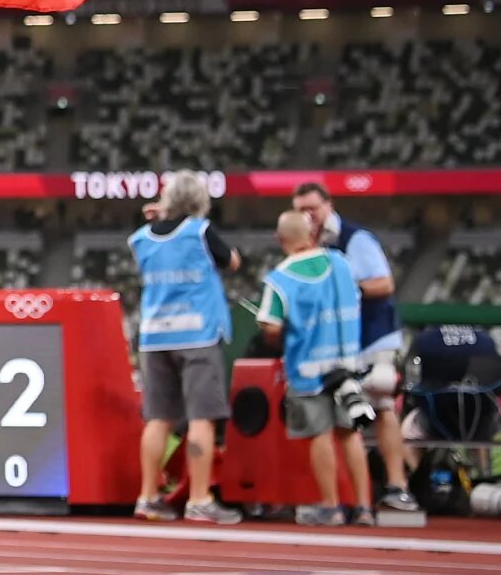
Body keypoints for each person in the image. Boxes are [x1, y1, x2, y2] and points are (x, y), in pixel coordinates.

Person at [294, 181, 416, 514]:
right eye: (300, 210)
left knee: (381, 402)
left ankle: (397, 486)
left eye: (312, 209)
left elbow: (384, 283)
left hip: (373, 337)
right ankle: (356, 497)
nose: (307, 216)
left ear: (328, 205)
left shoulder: (355, 238)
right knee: (345, 418)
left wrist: (341, 287)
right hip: (340, 344)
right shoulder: (309, 244)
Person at [129, 172, 241, 522]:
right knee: (200, 419)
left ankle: (147, 496)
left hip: (155, 335)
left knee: (158, 418)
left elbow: (159, 248)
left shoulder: (140, 239)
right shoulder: (201, 231)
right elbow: (232, 262)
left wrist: (160, 218)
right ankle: (199, 498)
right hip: (197, 334)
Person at [258, 209, 371, 526]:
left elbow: (270, 325)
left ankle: (330, 505)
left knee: (320, 435)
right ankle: (363, 507)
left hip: (308, 370)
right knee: (350, 433)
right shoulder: (342, 263)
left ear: (281, 240)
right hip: (347, 363)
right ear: (311, 235)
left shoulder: (281, 278)